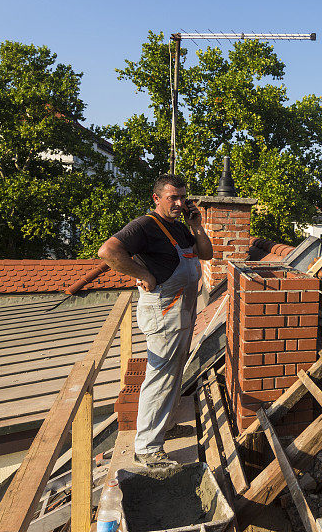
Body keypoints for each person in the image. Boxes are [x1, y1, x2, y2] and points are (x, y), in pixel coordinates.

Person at [98, 174, 213, 467]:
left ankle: (164, 425)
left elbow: (207, 253)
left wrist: (196, 226)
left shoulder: (179, 227)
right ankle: (147, 447)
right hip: (164, 312)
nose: (179, 203)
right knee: (160, 378)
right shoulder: (146, 225)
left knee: (174, 373)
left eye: (182, 197)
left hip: (181, 311)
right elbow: (108, 251)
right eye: (172, 197)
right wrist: (143, 274)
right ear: (157, 198)